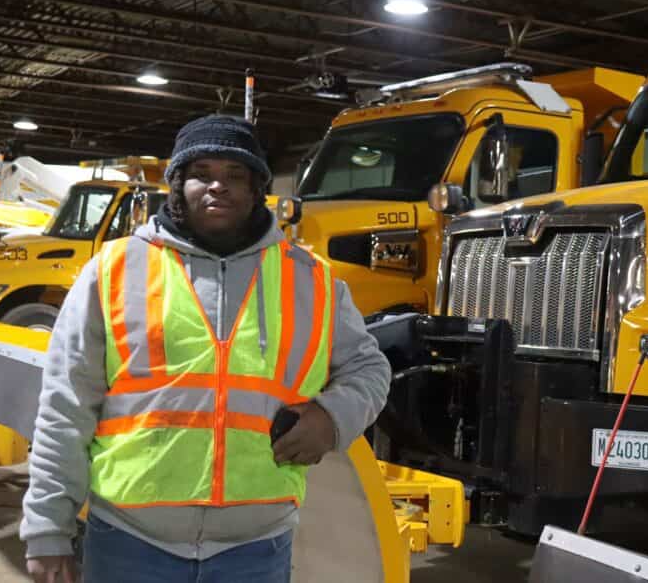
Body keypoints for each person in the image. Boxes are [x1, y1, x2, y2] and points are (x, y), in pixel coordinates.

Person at [21, 115, 392, 583]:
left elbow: (369, 369)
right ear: (178, 185)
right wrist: (48, 530)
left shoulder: (312, 281)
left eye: (235, 174)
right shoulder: (114, 270)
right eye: (202, 173)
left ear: (257, 188)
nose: (218, 185)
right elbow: (65, 407)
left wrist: (333, 417)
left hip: (255, 550)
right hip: (128, 542)